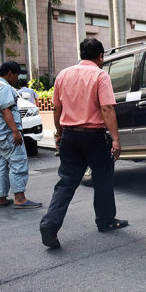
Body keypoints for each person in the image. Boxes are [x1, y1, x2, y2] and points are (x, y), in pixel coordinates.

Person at [40, 38, 126, 249]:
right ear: (100, 56)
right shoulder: (100, 74)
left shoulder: (63, 74)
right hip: (94, 136)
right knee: (103, 178)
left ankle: (50, 224)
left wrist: (59, 134)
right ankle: (105, 220)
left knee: (66, 182)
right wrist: (115, 139)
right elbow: (107, 109)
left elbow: (57, 109)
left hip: (69, 135)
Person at [0, 61, 42, 209]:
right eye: (16, 75)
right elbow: (6, 111)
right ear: (10, 73)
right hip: (7, 133)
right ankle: (20, 198)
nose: (17, 78)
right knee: (18, 162)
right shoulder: (4, 88)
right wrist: (15, 131)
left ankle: (1, 197)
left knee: (2, 164)